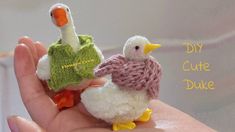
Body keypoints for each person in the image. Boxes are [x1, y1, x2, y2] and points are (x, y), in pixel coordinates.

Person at [8, 36, 215, 132]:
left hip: (132, 104)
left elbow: (152, 88)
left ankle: (127, 117)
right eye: (139, 47)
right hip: (99, 94)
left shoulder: (152, 68)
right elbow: (101, 69)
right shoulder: (113, 66)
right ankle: (118, 118)